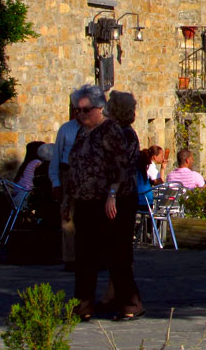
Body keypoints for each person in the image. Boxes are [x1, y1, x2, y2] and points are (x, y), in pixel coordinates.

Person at [64, 85, 143, 322]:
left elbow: (120, 166)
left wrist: (112, 194)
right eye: (77, 110)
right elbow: (74, 167)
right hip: (86, 201)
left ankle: (131, 303)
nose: (81, 114)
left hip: (113, 202)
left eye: (86, 110)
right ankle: (83, 306)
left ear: (100, 108)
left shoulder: (111, 131)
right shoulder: (81, 132)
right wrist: (68, 199)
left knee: (116, 255)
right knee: (84, 256)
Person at [49, 90, 83, 270]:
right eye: (76, 109)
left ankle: (88, 256)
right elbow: (56, 157)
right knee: (67, 217)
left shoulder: (93, 129)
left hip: (86, 175)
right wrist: (55, 182)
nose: (79, 113)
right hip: (67, 173)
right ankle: (70, 259)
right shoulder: (66, 129)